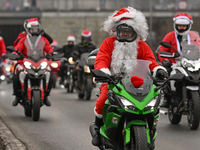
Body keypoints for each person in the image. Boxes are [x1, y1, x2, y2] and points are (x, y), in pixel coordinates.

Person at [90, 6, 168, 146]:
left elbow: (151, 62)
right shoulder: (108, 43)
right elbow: (101, 59)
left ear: (135, 32)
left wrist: (158, 70)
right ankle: (97, 128)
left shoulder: (142, 46)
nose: (125, 35)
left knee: (153, 104)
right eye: (122, 32)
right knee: (102, 100)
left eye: (128, 32)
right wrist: (103, 72)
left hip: (141, 84)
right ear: (116, 31)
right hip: (114, 82)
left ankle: (150, 131)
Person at [157, 13, 199, 108]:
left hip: (191, 62)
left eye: (184, 26)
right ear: (176, 26)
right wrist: (165, 61)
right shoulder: (169, 36)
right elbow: (162, 50)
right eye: (180, 25)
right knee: (166, 73)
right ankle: (168, 97)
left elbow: (199, 47)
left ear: (188, 26)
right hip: (174, 63)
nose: (181, 28)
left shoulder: (194, 36)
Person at [12, 18, 53, 107]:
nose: (35, 31)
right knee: (17, 75)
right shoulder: (23, 38)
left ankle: (46, 96)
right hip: (25, 61)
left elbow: (48, 47)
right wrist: (15, 53)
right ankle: (17, 96)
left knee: (49, 74)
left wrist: (51, 53)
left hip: (40, 61)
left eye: (36, 29)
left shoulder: (43, 38)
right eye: (33, 29)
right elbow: (19, 47)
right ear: (28, 29)